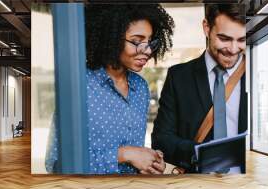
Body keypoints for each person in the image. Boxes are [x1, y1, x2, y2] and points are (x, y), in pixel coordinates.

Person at [46, 4, 175, 174]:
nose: (148, 50)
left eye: (150, 42)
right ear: (110, 37)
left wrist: (150, 161)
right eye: (136, 42)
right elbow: (56, 163)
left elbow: (135, 152)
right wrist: (123, 154)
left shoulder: (140, 88)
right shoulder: (78, 85)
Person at [151, 4, 247, 173]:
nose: (233, 50)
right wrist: (200, 154)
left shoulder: (260, 72)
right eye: (224, 39)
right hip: (196, 186)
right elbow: (161, 140)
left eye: (241, 40)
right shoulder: (178, 77)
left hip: (250, 185)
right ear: (206, 28)